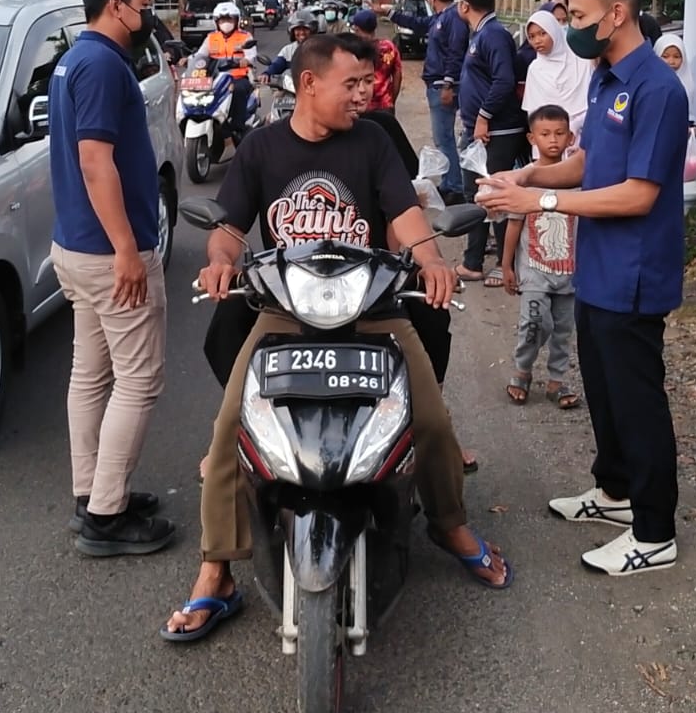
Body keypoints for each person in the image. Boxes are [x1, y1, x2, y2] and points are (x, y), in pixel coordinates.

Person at [162, 33, 512, 643]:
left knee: (428, 421)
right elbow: (226, 228)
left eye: (364, 84)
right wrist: (220, 261)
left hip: (371, 308)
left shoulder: (373, 140)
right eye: (350, 84)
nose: (363, 94)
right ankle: (215, 569)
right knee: (227, 436)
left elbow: (406, 219)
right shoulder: (262, 148)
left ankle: (449, 523)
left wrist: (430, 260)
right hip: (284, 312)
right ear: (308, 85)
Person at [477, 0, 688, 577]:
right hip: (595, 265)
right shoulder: (605, 78)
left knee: (637, 398)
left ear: (617, 14)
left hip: (636, 271)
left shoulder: (657, 88)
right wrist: (529, 172)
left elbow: (636, 193)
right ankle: (615, 492)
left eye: (582, 16)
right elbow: (589, 162)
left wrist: (536, 200)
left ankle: (654, 532)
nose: (572, 27)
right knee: (602, 387)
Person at [47, 0, 176, 557]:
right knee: (138, 380)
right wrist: (128, 248)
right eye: (143, 1)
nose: (149, 10)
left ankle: (95, 492)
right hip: (107, 254)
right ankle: (105, 516)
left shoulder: (75, 59)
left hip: (77, 248)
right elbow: (95, 162)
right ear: (116, 4)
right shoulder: (100, 64)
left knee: (91, 375)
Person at [501, 104, 581, 411]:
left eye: (560, 133)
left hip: (570, 271)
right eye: (545, 134)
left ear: (570, 137)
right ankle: (522, 371)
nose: (553, 140)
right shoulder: (526, 181)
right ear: (531, 138)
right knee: (534, 322)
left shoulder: (579, 179)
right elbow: (514, 224)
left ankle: (556, 382)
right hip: (534, 269)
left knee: (563, 329)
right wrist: (506, 265)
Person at [454, 0, 529, 286]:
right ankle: (473, 261)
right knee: (477, 195)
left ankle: (502, 263)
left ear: (464, 5)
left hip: (498, 129)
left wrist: (483, 115)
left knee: (495, 194)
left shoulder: (493, 34)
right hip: (480, 129)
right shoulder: (480, 33)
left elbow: (503, 81)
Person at [392, 0, 469, 200]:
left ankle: (455, 186)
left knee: (444, 138)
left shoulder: (453, 18)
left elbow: (456, 52)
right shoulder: (439, 18)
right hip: (436, 83)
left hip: (443, 85)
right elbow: (418, 25)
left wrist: (448, 83)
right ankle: (449, 182)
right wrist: (391, 14)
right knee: (442, 138)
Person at [522, 8, 595, 138]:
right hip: (547, 140)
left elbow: (593, 101)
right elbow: (533, 111)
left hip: (581, 135)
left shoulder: (581, 61)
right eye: (532, 37)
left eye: (542, 33)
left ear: (554, 31)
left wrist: (574, 125)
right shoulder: (535, 69)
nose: (537, 40)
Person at [191, 0, 257, 134]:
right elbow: (200, 55)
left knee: (238, 90)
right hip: (215, 77)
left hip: (238, 77)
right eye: (222, 20)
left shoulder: (245, 36)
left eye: (229, 19)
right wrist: (188, 60)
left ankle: (238, 128)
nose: (225, 23)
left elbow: (251, 55)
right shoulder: (211, 38)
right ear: (216, 22)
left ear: (236, 20)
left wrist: (246, 60)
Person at [351, 8, 403, 113]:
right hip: (385, 105)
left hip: (360, 106)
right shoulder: (389, 47)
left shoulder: (354, 50)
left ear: (357, 29)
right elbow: (398, 74)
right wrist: (392, 99)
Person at [655, 32, 696, 139]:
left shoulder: (689, 84)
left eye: (676, 56)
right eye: (665, 56)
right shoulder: (650, 83)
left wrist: (694, 130)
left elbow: (690, 115)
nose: (671, 61)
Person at [260, 12, 314, 82]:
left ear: (312, 31)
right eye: (298, 29)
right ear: (292, 32)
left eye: (305, 29)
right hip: (292, 86)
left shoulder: (321, 49)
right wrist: (267, 73)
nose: (302, 32)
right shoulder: (287, 50)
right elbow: (278, 64)